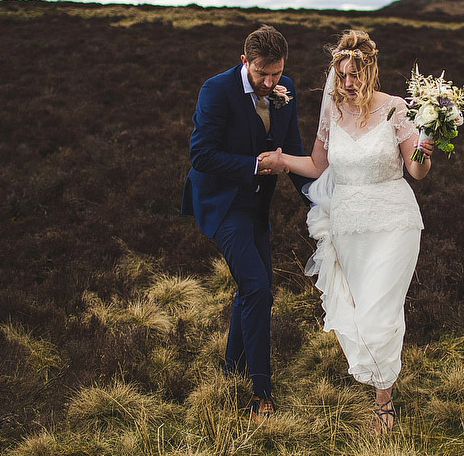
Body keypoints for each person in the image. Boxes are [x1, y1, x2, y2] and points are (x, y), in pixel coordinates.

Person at [257, 30, 434, 432]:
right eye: (342, 75)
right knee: (358, 307)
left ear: (369, 71)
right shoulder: (333, 113)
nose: (347, 83)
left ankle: (383, 403)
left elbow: (416, 172)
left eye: (354, 75)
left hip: (394, 222)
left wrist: (425, 150)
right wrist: (281, 160)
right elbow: (319, 166)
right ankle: (381, 384)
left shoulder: (395, 109)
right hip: (349, 225)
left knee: (380, 311)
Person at [181, 25, 308, 420]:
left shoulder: (285, 89)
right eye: (261, 74)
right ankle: (261, 393)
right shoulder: (215, 91)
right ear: (244, 62)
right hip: (221, 203)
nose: (270, 82)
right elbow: (201, 155)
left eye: (276, 73)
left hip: (256, 208)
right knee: (256, 289)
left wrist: (320, 202)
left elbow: (297, 152)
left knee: (255, 288)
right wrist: (255, 165)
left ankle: (230, 371)